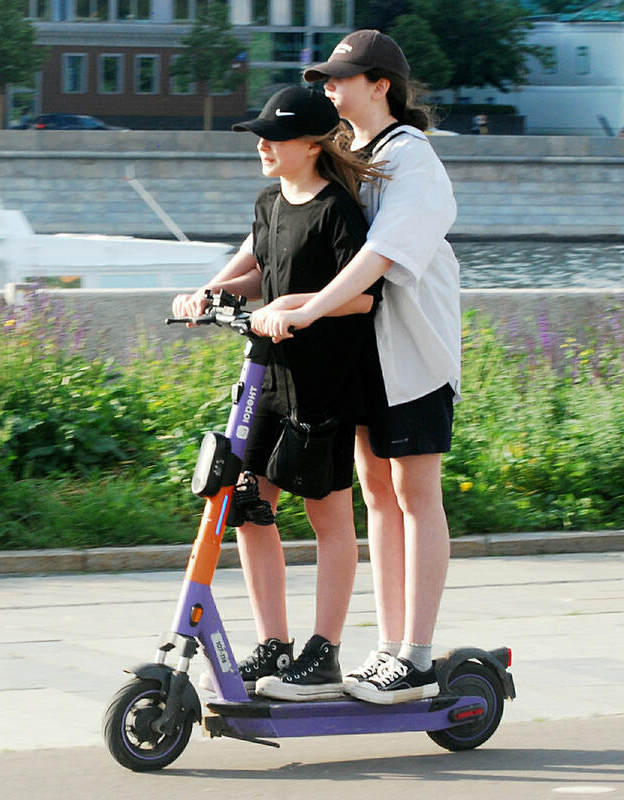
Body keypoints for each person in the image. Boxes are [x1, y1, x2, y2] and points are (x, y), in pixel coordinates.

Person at [251, 29, 462, 705]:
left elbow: (378, 257)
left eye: (341, 78)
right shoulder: (348, 152)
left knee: (415, 494)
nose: (329, 88)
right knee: (376, 494)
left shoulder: (412, 159)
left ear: (381, 86)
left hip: (414, 355)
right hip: (365, 355)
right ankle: (387, 648)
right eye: (326, 79)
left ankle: (417, 655)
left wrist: (309, 308)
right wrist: (218, 287)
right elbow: (281, 229)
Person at [173, 85, 384, 702]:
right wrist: (210, 294)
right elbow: (263, 270)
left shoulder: (338, 209)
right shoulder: (269, 203)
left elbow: (363, 296)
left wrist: (294, 305)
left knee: (327, 515)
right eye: (260, 136)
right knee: (245, 503)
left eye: (275, 136)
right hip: (266, 378)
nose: (263, 145)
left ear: (313, 145)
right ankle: (274, 643)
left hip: (323, 382)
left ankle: (324, 651)